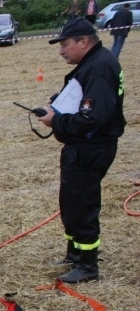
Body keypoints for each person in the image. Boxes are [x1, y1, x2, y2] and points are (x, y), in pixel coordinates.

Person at [38, 17, 125, 283]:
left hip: (91, 147)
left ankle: (87, 267)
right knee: (71, 202)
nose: (61, 51)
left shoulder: (99, 68)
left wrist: (57, 120)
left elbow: (92, 117)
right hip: (81, 146)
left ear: (84, 41)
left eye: (65, 44)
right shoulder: (92, 64)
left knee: (83, 204)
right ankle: (74, 255)